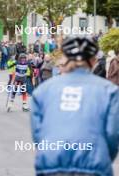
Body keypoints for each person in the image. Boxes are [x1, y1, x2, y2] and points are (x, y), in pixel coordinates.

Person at [31, 36, 119, 176]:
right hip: (94, 165)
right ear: (93, 61)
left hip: (51, 164)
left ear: (64, 58)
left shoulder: (43, 90)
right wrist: (103, 158)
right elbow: (112, 135)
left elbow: (38, 135)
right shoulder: (109, 90)